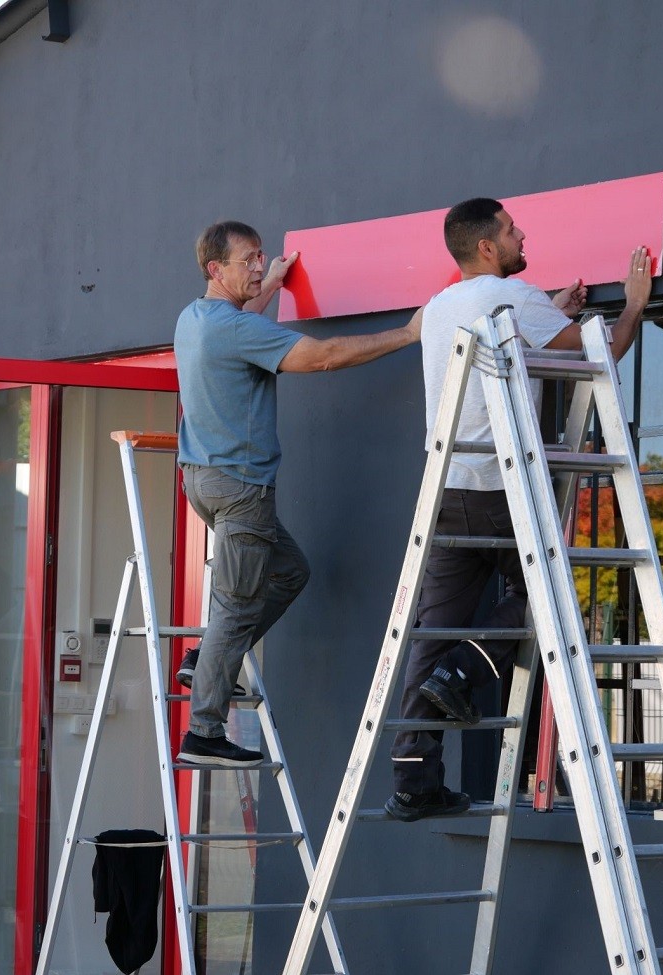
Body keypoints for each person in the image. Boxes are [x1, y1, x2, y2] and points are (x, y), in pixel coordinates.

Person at [386, 197, 653, 820]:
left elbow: (505, 341)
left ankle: (412, 777)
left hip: (448, 492)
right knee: (546, 591)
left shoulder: (443, 307)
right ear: (486, 247)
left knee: (431, 631)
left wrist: (550, 313)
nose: (521, 234)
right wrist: (636, 301)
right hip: (504, 491)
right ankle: (466, 671)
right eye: (510, 230)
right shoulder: (517, 296)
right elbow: (602, 353)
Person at [175, 220, 421, 767]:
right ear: (217, 269)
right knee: (235, 608)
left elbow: (241, 320)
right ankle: (203, 733)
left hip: (204, 481)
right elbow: (327, 355)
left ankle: (207, 659)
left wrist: (273, 283)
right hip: (241, 489)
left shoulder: (196, 318)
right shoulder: (236, 331)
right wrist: (408, 333)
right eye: (250, 261)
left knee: (290, 572)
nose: (260, 267)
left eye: (263, 257)